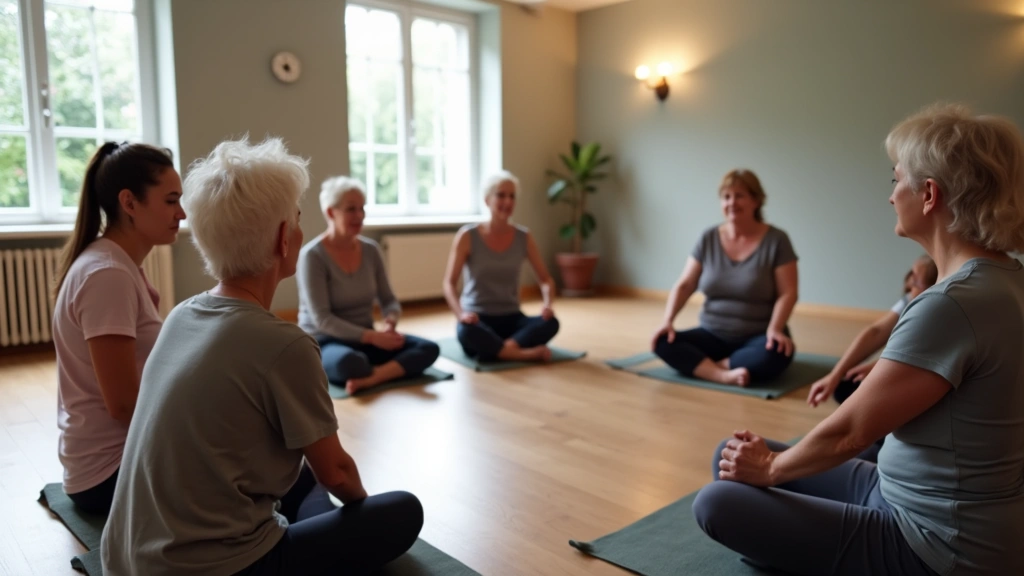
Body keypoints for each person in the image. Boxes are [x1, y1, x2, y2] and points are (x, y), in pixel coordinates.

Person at [693, 103, 1024, 575]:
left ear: (929, 194)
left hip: (935, 543)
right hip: (899, 491)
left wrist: (769, 470)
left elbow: (852, 432)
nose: (892, 196)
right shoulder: (1009, 280)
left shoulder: (950, 304)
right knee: (728, 457)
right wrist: (763, 465)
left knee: (717, 502)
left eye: (897, 181)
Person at [101, 137, 423, 575]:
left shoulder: (181, 314)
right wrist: (360, 518)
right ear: (282, 239)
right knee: (403, 511)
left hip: (125, 559)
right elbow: (340, 473)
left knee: (301, 477)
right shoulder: (284, 344)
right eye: (297, 218)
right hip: (218, 568)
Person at [52, 142, 185, 514]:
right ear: (129, 203)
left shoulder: (115, 263)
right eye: (171, 201)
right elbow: (124, 404)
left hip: (120, 458)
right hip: (108, 474)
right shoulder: (107, 275)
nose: (182, 213)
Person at [652, 169, 799, 386]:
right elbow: (686, 284)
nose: (732, 203)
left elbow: (788, 293)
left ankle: (705, 366)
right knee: (663, 342)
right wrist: (667, 321)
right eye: (726, 197)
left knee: (778, 352)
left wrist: (775, 329)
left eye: (739, 195)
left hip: (758, 336)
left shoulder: (777, 240)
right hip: (712, 333)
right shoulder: (708, 237)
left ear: (756, 200)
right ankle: (721, 373)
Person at [297, 176, 440, 395]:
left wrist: (390, 322)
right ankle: (381, 371)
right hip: (325, 342)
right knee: (351, 363)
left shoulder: (371, 250)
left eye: (362, 208)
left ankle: (373, 378)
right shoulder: (313, 256)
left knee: (428, 349)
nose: (359, 216)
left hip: (365, 338)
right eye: (351, 209)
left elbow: (389, 300)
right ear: (330, 212)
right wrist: (373, 337)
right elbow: (322, 319)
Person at [442, 170, 560, 362]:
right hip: (477, 318)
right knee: (466, 332)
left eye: (512, 196)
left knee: (551, 323)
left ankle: (501, 350)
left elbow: (546, 280)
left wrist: (548, 304)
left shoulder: (524, 237)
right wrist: (461, 314)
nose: (508, 202)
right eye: (501, 195)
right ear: (487, 199)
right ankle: (522, 353)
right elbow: (449, 283)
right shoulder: (467, 236)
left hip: (512, 317)